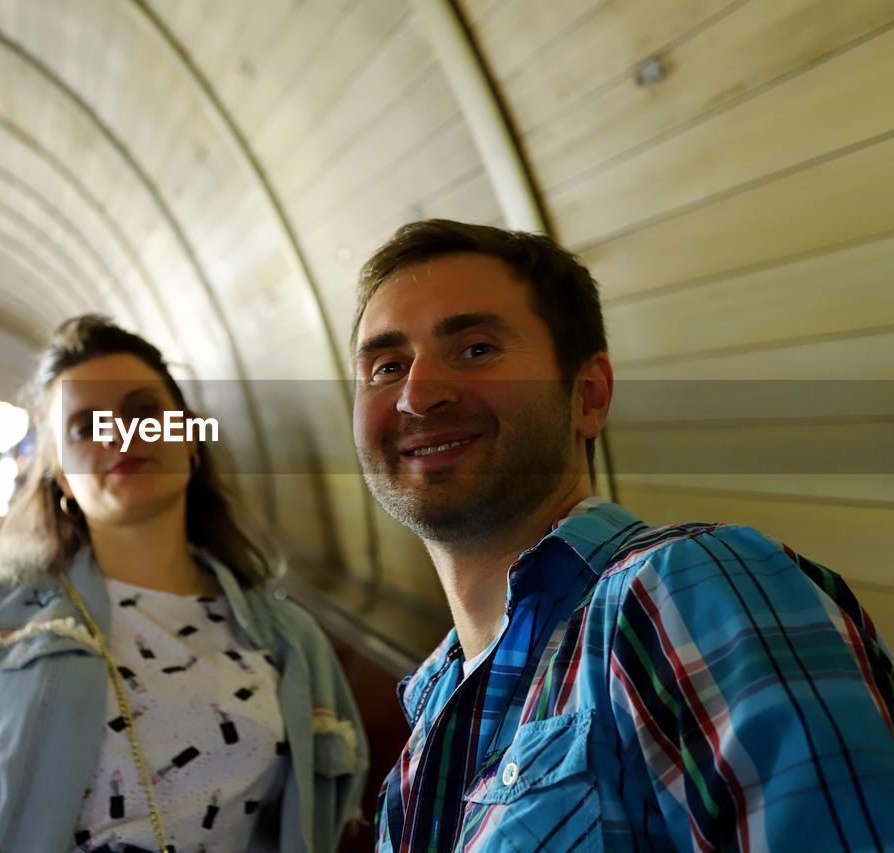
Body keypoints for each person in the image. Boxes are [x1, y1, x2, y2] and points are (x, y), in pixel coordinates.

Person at [350, 220, 894, 851]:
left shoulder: (689, 588)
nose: (418, 394)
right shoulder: (433, 700)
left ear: (589, 395)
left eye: (475, 349)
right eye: (387, 366)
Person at [0, 316, 367, 853]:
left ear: (189, 437)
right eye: (85, 427)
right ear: (60, 476)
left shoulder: (288, 640)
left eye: (145, 411)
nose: (122, 435)